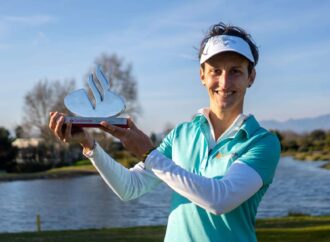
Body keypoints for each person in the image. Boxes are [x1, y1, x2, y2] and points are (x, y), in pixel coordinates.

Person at [49, 22, 281, 242]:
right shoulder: (181, 135)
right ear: (202, 75)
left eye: (236, 71)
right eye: (215, 71)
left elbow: (220, 199)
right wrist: (91, 147)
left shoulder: (262, 143)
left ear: (251, 77)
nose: (224, 81)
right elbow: (130, 187)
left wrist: (149, 154)